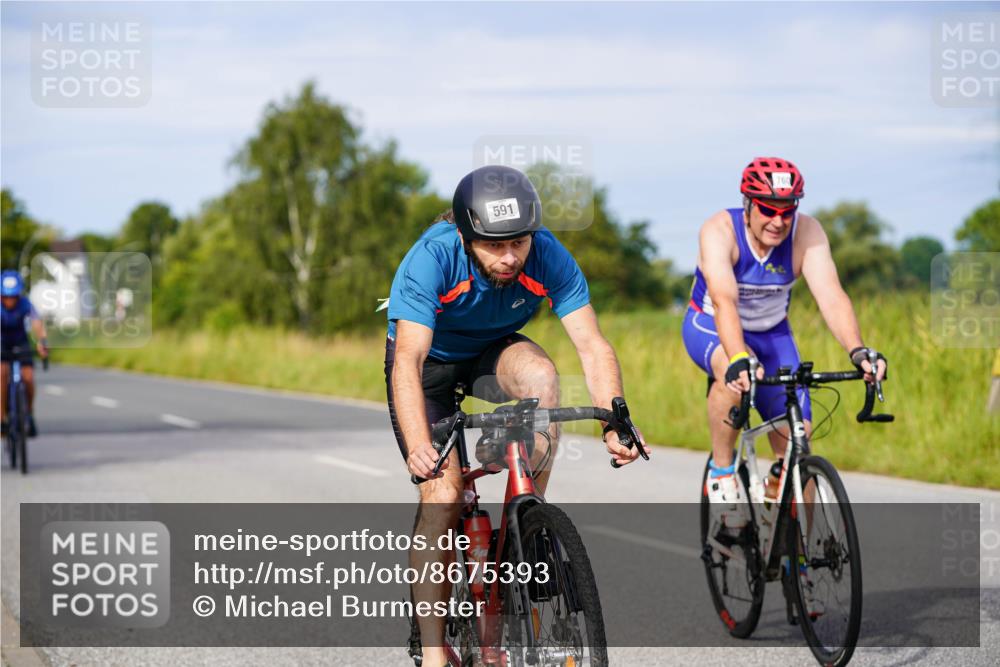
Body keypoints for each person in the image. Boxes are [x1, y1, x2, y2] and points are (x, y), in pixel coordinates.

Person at [384, 164, 648, 665]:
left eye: (519, 243)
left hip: (494, 351)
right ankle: (437, 651)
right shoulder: (431, 259)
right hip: (430, 365)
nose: (509, 258)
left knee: (544, 376)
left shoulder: (548, 254)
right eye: (494, 246)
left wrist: (617, 417)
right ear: (465, 236)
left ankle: (529, 518)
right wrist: (422, 446)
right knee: (442, 495)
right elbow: (409, 361)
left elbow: (592, 346)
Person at [682, 157, 887, 527]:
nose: (778, 221)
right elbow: (725, 301)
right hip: (712, 324)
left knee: (798, 441)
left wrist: (858, 350)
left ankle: (799, 558)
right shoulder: (719, 230)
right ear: (747, 204)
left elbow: (831, 296)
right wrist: (739, 355)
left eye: (787, 211)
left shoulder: (807, 233)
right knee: (732, 376)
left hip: (773, 334)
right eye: (767, 210)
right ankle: (723, 474)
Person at [1, 270, 48, 437]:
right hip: (2, 342)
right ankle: (1, 419)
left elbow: (36, 323)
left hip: (21, 341)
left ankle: (28, 413)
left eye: (13, 296)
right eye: (5, 296)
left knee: (28, 377)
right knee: (2, 372)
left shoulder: (26, 304)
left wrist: (42, 342)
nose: (10, 300)